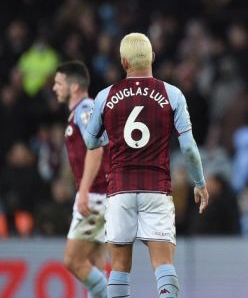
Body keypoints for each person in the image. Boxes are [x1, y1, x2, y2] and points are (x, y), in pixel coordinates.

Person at [83, 33, 209, 298]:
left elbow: (90, 141)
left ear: (123, 61)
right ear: (152, 57)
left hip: (119, 190)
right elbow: (188, 147)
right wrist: (199, 183)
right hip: (157, 189)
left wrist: (110, 134)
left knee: (118, 267)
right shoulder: (172, 94)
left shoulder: (106, 96)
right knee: (163, 264)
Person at [53, 60, 110, 298]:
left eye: (58, 83)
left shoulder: (85, 109)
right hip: (105, 194)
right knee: (94, 260)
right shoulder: (82, 112)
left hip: (96, 195)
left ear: (74, 86)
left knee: (73, 261)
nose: (55, 88)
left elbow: (95, 148)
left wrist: (84, 190)